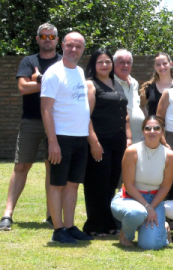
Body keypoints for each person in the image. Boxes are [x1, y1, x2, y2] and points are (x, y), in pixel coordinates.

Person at [1, 22, 60, 231]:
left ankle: (52, 215)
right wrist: (47, 82)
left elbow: (64, 88)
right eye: (43, 36)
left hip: (56, 122)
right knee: (21, 166)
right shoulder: (29, 61)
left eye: (51, 37)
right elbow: (23, 88)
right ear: (37, 39)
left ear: (57, 40)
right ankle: (7, 214)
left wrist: (39, 79)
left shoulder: (62, 63)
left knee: (52, 167)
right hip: (31, 121)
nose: (47, 40)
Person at [41, 31, 92, 245]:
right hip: (61, 138)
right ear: (62, 45)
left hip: (80, 138)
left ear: (83, 49)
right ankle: (58, 229)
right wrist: (53, 142)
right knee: (57, 184)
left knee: (73, 184)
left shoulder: (79, 71)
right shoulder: (53, 73)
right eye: (70, 45)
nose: (74, 50)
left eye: (78, 46)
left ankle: (69, 226)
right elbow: (46, 109)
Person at [82, 47, 130, 237]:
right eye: (100, 61)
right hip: (99, 142)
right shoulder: (90, 84)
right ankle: (94, 225)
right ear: (93, 64)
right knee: (97, 183)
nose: (104, 64)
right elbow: (85, 115)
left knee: (111, 183)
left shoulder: (116, 83)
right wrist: (93, 142)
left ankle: (109, 222)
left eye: (107, 61)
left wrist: (128, 138)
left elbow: (125, 114)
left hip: (118, 141)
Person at [112, 115, 173, 250]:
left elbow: (165, 187)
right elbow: (129, 185)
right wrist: (148, 208)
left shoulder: (170, 156)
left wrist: (151, 207)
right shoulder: (132, 151)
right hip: (129, 198)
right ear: (143, 131)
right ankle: (126, 236)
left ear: (162, 131)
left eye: (156, 128)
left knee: (149, 245)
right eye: (148, 128)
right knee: (136, 213)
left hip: (155, 199)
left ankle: (164, 228)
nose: (152, 131)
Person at [113, 49, 144, 147]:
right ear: (114, 64)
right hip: (122, 139)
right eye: (121, 62)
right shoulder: (111, 83)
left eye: (128, 62)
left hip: (139, 138)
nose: (125, 65)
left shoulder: (134, 82)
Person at [139, 52, 173, 120]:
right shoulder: (148, 87)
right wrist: (148, 119)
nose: (162, 67)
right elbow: (141, 105)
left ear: (171, 64)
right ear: (155, 67)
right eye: (158, 64)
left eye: (164, 63)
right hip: (154, 127)